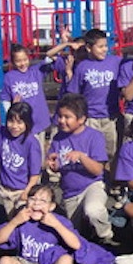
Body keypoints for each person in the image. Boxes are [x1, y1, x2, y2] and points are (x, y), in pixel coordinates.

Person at [0, 184, 115, 264]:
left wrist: (56, 225)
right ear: (27, 202)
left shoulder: (59, 221)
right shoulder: (21, 220)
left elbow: (76, 244)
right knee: (4, 262)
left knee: (66, 260)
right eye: (32, 199)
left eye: (42, 201)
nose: (36, 204)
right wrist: (15, 222)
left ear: (51, 206)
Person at [46, 93, 118, 247]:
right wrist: (53, 165)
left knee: (93, 210)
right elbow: (56, 166)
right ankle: (88, 229)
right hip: (70, 192)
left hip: (92, 185)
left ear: (82, 119)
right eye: (60, 116)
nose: (61, 120)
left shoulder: (94, 136)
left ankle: (106, 236)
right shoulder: (58, 138)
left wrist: (81, 157)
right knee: (74, 235)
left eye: (67, 117)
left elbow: (98, 170)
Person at [0, 99, 41, 217]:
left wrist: (27, 191)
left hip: (22, 190)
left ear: (27, 123)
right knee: (11, 218)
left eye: (20, 122)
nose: (14, 126)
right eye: (11, 121)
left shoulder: (31, 142)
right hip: (6, 189)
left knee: (22, 218)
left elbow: (35, 173)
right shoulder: (5, 133)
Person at [66, 28, 123, 161]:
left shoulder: (115, 62)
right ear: (89, 48)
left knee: (113, 151)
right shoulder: (82, 67)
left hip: (110, 116)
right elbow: (74, 93)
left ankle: (114, 179)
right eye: (100, 46)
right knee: (91, 151)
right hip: (90, 118)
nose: (104, 49)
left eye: (105, 46)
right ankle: (95, 177)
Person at [0, 43, 55, 156]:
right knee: (25, 151)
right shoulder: (9, 77)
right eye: (18, 61)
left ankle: (38, 171)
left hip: (39, 119)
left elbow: (49, 59)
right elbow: (5, 98)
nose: (22, 63)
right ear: (12, 62)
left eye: (25, 59)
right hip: (22, 121)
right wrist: (11, 109)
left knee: (39, 151)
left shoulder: (35, 71)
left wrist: (65, 41)